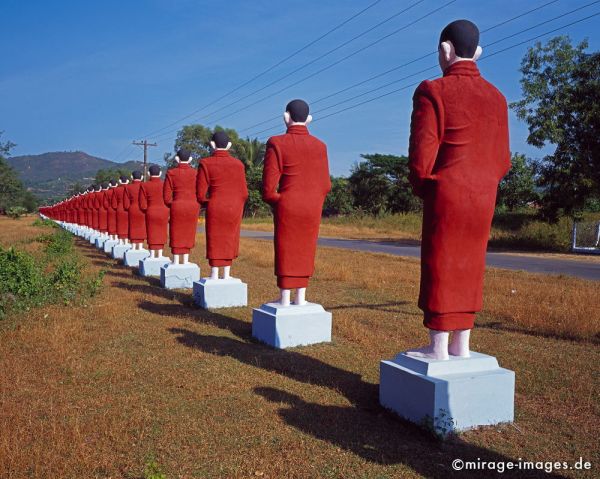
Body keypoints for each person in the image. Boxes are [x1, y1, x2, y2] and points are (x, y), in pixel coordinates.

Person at [406, 19, 511, 360]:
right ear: (477, 53)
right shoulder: (497, 97)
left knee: (442, 263)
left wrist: (428, 188)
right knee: (469, 265)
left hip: (447, 192)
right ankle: (462, 345)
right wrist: (484, 183)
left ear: (446, 50)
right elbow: (503, 159)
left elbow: (422, 156)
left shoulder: (432, 90)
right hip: (483, 195)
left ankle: (438, 346)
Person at [262, 99, 331, 306]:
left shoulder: (277, 142)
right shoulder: (320, 146)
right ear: (309, 120)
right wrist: (314, 200)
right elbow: (326, 184)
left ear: (286, 117)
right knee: (305, 249)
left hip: (288, 205)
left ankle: (284, 297)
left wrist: (279, 200)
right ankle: (301, 297)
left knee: (286, 249)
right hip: (312, 207)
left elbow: (268, 188)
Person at [197, 131, 248, 279]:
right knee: (229, 238)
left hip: (216, 205)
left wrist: (209, 202)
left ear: (212, 145)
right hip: (234, 207)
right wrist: (236, 204)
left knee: (215, 238)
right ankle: (226, 274)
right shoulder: (238, 165)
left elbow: (200, 194)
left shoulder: (206, 163)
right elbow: (244, 192)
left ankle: (214, 273)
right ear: (229, 145)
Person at [163, 149, 200, 265]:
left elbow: (166, 196)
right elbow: (200, 191)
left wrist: (173, 204)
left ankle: (175, 260)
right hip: (192, 206)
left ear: (177, 159)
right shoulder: (196, 173)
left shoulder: (171, 173)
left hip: (177, 205)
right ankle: (185, 260)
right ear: (190, 160)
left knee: (176, 233)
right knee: (188, 232)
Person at [139, 165, 169, 258]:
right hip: (163, 211)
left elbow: (142, 204)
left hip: (151, 211)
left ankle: (152, 254)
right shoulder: (165, 184)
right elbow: (168, 198)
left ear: (148, 174)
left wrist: (146, 209)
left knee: (151, 232)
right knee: (161, 232)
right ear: (160, 173)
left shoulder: (144, 185)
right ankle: (160, 254)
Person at [124, 171, 147, 250]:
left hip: (132, 209)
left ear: (131, 177)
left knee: (133, 227)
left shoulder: (128, 187)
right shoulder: (144, 186)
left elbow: (126, 204)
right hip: (142, 210)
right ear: (142, 177)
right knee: (141, 227)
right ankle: (140, 246)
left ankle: (133, 247)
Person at [112, 175, 130, 245]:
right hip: (128, 209)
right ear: (128, 181)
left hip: (119, 208)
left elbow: (114, 203)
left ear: (119, 181)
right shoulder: (130, 188)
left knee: (120, 225)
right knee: (127, 225)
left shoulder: (116, 190)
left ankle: (120, 242)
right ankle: (126, 242)